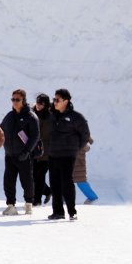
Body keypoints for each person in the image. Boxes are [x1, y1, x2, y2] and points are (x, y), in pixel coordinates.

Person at [48, 88, 91, 221]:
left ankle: (72, 211)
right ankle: (58, 212)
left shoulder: (76, 117)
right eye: (54, 99)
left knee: (67, 183)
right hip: (53, 154)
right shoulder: (52, 115)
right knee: (54, 184)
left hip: (67, 155)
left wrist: (75, 149)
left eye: (57, 100)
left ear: (66, 101)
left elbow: (85, 135)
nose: (55, 102)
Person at [0, 89, 40, 216]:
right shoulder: (9, 116)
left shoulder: (31, 116)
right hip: (10, 155)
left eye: (17, 99)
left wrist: (27, 152)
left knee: (26, 181)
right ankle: (11, 205)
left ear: (24, 100)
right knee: (8, 181)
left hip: (24, 155)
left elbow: (35, 136)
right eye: (13, 99)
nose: (14, 102)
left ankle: (28, 204)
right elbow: (0, 130)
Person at [32, 93, 53, 206]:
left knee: (39, 175)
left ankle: (37, 200)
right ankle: (47, 191)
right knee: (32, 175)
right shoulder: (31, 113)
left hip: (46, 150)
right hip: (32, 148)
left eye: (41, 103)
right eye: (37, 102)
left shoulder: (51, 116)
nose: (38, 105)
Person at [74, 136, 98, 204]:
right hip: (79, 165)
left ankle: (92, 197)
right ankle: (92, 197)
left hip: (75, 164)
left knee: (67, 181)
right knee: (81, 181)